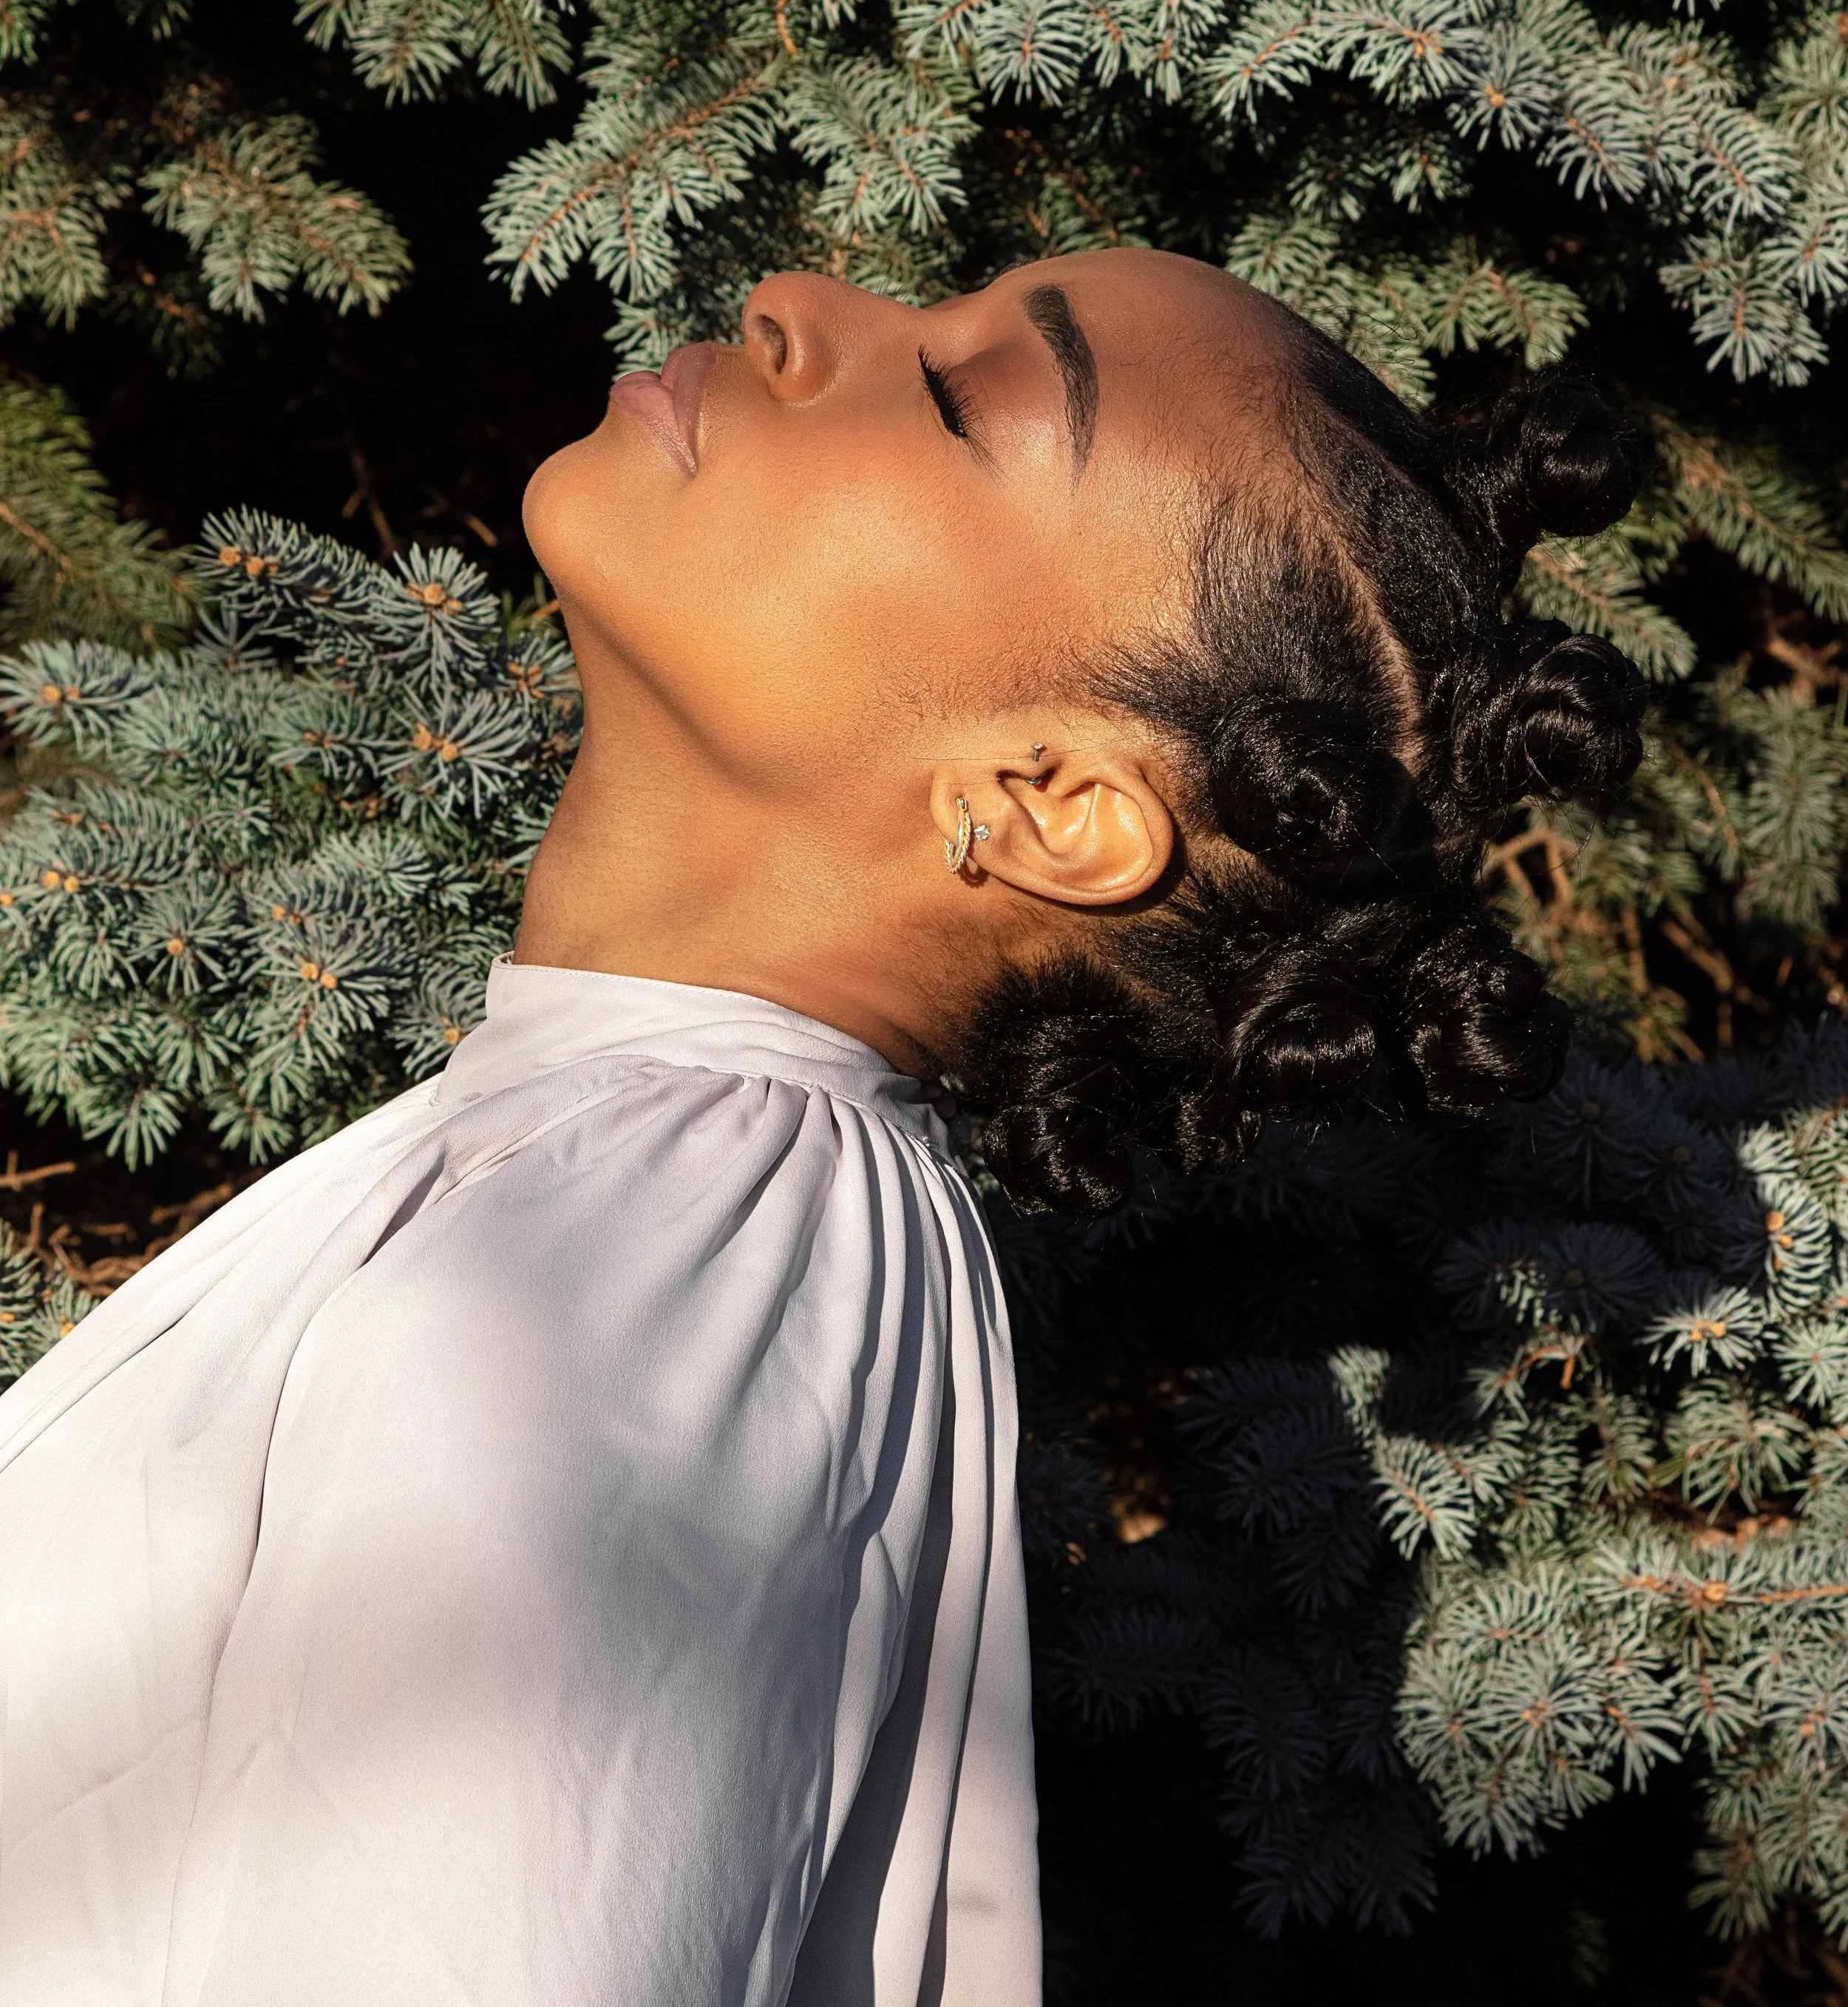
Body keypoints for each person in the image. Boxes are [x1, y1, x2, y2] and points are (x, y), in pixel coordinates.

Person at [0, 249, 1647, 2006]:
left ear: (1058, 807)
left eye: (955, 402)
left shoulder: (647, 1277)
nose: (795, 300)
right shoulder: (684, 1206)